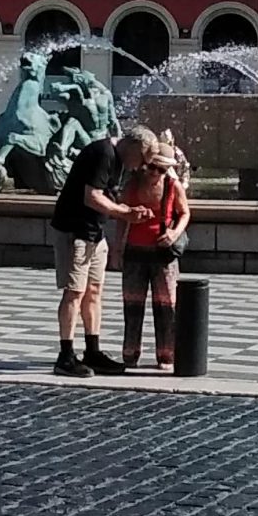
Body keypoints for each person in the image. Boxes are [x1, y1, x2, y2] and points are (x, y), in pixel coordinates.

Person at [49, 126, 140, 377]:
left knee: (94, 292)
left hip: (95, 233)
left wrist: (128, 209)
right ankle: (65, 356)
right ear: (132, 148)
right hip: (75, 231)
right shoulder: (104, 153)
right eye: (142, 159)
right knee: (74, 293)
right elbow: (92, 197)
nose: (140, 167)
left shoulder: (118, 158)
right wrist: (124, 213)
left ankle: (93, 351)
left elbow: (107, 195)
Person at [118, 129, 192, 369]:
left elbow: (185, 213)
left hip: (163, 255)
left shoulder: (172, 186)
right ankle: (130, 354)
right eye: (152, 168)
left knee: (166, 305)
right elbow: (121, 217)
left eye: (161, 170)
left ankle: (166, 355)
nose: (155, 174)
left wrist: (173, 233)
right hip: (135, 252)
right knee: (132, 305)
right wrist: (118, 249)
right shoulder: (132, 185)